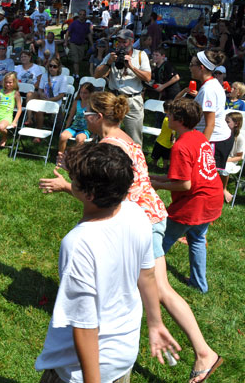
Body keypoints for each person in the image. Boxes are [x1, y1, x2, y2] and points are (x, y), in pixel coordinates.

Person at [41, 93, 221, 383]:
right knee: (147, 283)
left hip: (140, 219)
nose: (85, 117)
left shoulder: (111, 146)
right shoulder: (126, 137)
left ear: (99, 117)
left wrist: (65, 186)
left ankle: (203, 352)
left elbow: (103, 195)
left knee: (160, 288)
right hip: (146, 215)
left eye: (87, 113)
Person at [35, 141, 181, 383]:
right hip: (122, 356)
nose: (70, 181)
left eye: (74, 179)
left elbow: (85, 325)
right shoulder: (136, 213)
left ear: (90, 194)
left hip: (82, 370)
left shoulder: (78, 243)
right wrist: (155, 324)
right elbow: (147, 276)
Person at [151, 98, 224, 294]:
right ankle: (199, 285)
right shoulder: (199, 137)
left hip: (194, 203)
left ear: (179, 120)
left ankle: (144, 279)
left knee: (159, 240)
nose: (167, 116)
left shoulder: (180, 146)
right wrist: (156, 176)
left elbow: (184, 184)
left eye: (170, 114)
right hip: (212, 199)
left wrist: (156, 184)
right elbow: (185, 174)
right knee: (197, 238)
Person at [95, 29, 151, 145]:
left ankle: (135, 162)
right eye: (118, 42)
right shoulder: (111, 56)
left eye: (124, 42)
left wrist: (131, 67)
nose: (120, 45)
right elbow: (96, 75)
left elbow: (147, 78)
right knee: (109, 136)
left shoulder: (141, 55)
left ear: (132, 42)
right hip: (114, 99)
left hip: (133, 100)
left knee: (134, 138)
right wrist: (108, 63)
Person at [184, 50, 234, 172]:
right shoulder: (211, 84)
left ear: (201, 67)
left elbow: (210, 124)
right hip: (212, 138)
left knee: (206, 181)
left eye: (192, 65)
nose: (190, 68)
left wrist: (201, 149)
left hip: (214, 140)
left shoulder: (209, 90)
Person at [26, 56, 68, 130]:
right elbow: (40, 90)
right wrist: (41, 94)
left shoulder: (62, 78)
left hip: (54, 102)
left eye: (54, 66)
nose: (52, 68)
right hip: (43, 99)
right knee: (30, 94)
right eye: (50, 66)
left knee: (39, 109)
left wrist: (48, 100)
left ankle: (38, 133)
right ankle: (29, 119)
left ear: (58, 68)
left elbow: (61, 95)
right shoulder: (45, 76)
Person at [57, 82, 92, 154]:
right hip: (74, 127)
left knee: (79, 139)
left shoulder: (92, 104)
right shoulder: (76, 102)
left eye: (85, 93)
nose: (83, 95)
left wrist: (94, 132)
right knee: (63, 136)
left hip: (85, 129)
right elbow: (71, 116)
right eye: (81, 92)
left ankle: (77, 158)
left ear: (90, 93)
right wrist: (66, 127)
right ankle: (61, 157)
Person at [220, 112, 245, 203]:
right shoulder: (221, 134)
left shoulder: (239, 138)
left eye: (228, 122)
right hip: (220, 156)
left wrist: (227, 160)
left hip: (231, 160)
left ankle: (224, 189)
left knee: (224, 169)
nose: (225, 124)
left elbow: (239, 157)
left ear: (236, 124)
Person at [64, 10, 93, 78]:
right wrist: (65, 42)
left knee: (79, 60)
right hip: (73, 43)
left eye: (83, 14)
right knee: (76, 60)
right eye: (81, 14)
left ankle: (74, 73)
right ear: (78, 15)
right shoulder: (74, 23)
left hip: (81, 45)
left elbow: (89, 34)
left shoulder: (86, 25)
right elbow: (67, 33)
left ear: (85, 16)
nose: (82, 16)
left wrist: (92, 44)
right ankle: (77, 75)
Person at [151, 99, 175, 170]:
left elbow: (173, 132)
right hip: (161, 142)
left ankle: (164, 168)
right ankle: (154, 166)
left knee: (166, 158)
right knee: (156, 157)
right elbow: (173, 129)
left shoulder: (171, 119)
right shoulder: (167, 120)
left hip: (168, 143)